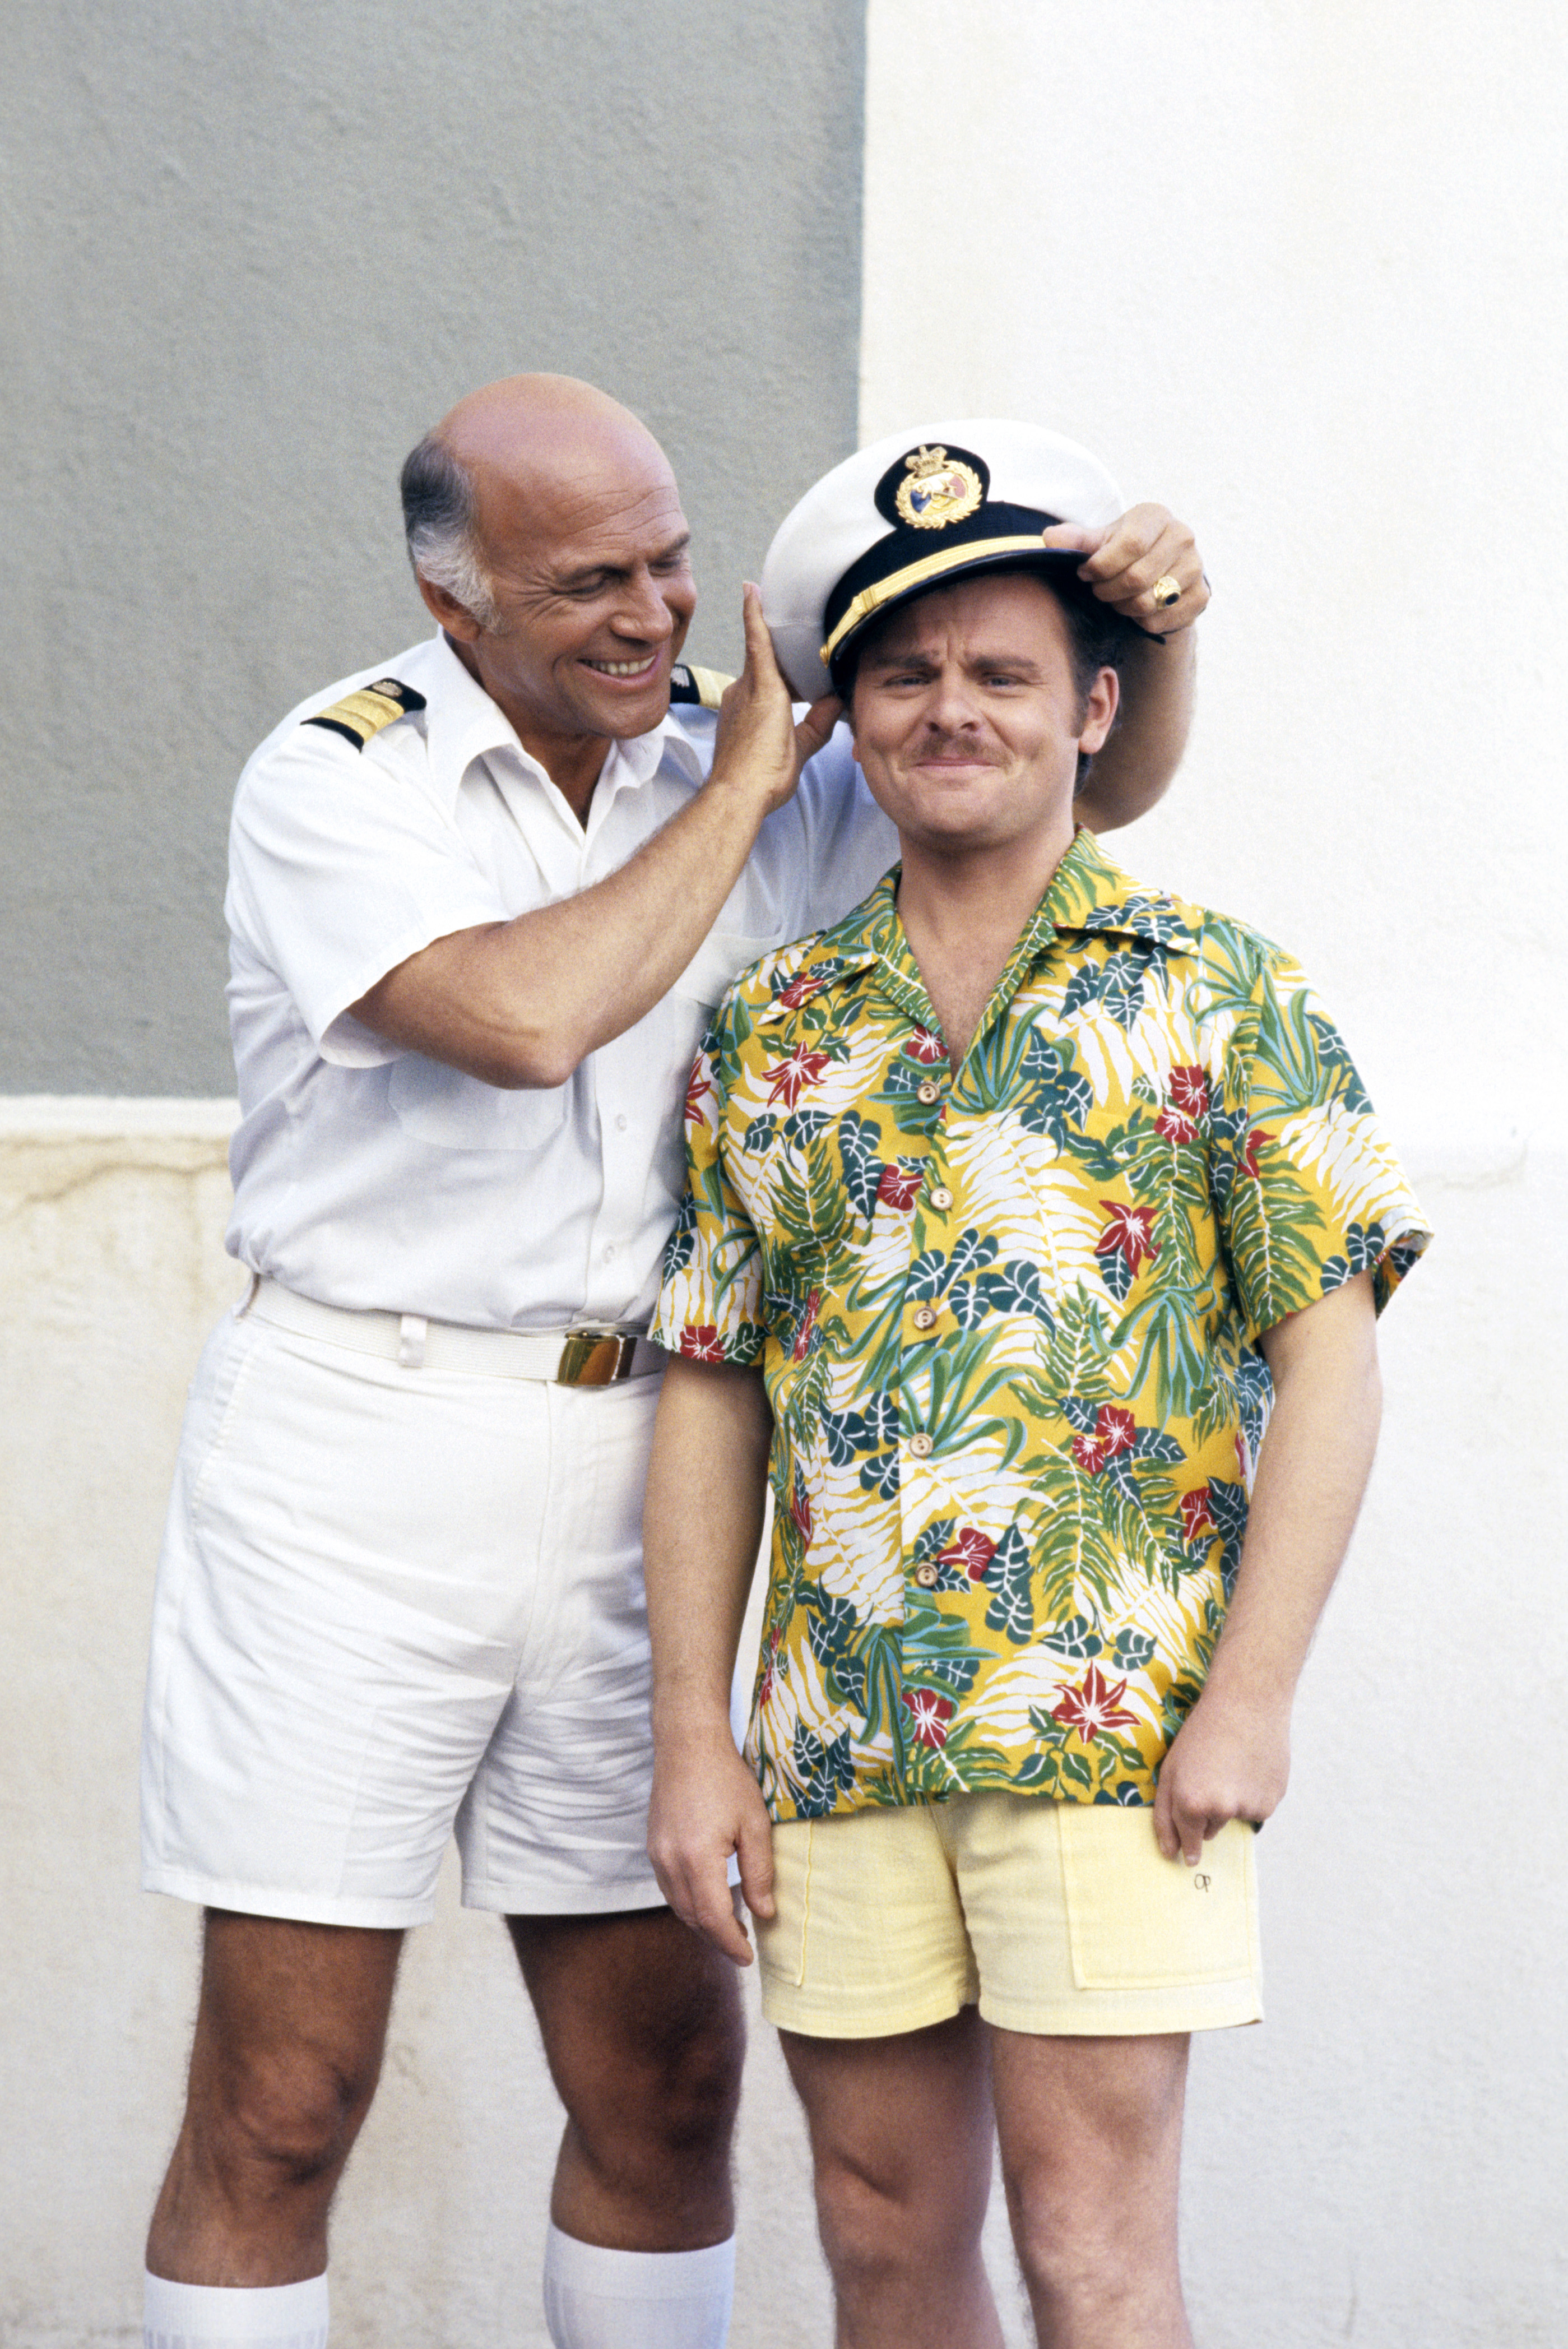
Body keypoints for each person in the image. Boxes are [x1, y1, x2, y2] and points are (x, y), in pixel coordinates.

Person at [138, 376, 1208, 2349]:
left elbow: (1073, 784)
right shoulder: (338, 773)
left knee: (667, 2084)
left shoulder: (743, 763)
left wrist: (1160, 625)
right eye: (587, 587)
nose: (652, 618)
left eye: (670, 566)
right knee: (286, 2105)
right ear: (454, 606)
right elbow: (523, 1018)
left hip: (651, 1460)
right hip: (357, 1457)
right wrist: (736, 789)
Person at [643, 420, 1431, 2348]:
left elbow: (1328, 1357)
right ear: (851, 715)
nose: (950, 711)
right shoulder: (776, 1026)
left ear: (1094, 710)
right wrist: (695, 1738)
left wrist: (1251, 1701)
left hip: (1113, 1735)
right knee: (882, 2236)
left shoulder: (1216, 986)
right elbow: (712, 1389)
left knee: (1094, 2255)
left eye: (1001, 673)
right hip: (840, 1743)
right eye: (905, 674)